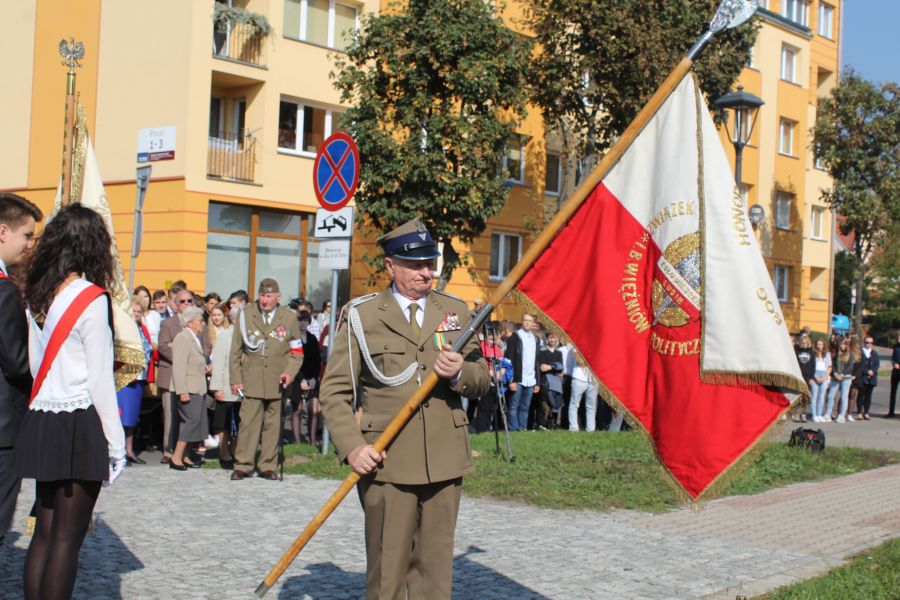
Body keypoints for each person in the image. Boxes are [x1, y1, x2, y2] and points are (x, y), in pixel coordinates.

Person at [320, 218, 489, 600]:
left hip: (443, 458)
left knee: (434, 574)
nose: (426, 273)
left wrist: (461, 372)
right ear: (390, 266)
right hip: (386, 459)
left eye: (430, 264)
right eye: (415, 265)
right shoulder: (362, 315)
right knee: (388, 572)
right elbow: (334, 390)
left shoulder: (455, 311)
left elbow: (482, 378)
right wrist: (352, 447)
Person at [15, 204, 126, 599]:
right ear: (92, 246)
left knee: (44, 534)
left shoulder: (38, 294)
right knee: (68, 537)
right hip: (79, 419)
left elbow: (33, 363)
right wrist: (116, 443)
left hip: (44, 416)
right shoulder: (91, 298)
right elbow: (99, 380)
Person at [229, 278, 304, 480]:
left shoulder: (288, 317)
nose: (265, 300)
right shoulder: (246, 315)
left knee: (273, 426)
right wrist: (235, 379)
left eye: (269, 296)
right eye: (262, 295)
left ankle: (267, 465)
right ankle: (243, 464)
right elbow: (235, 351)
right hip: (251, 379)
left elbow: (297, 352)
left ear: (278, 297)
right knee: (248, 424)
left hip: (277, 380)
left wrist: (289, 373)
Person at [0, 193, 42, 545]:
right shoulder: (3, 291)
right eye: (26, 235)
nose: (29, 245)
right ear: (3, 232)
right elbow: (17, 361)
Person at [170, 306, 210, 470]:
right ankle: (176, 456)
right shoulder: (183, 337)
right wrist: (182, 391)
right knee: (190, 423)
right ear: (190, 322)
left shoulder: (193, 337)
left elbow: (193, 363)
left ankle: (185, 455)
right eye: (200, 320)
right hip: (189, 388)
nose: (203, 323)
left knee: (196, 423)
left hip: (197, 387)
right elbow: (178, 367)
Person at [118, 295, 152, 464]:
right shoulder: (123, 329)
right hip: (125, 378)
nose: (137, 314)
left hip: (139, 378)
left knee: (132, 418)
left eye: (139, 311)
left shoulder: (142, 329)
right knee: (121, 417)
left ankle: (129, 450)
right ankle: (118, 451)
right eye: (134, 311)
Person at [209, 305, 239, 465]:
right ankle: (223, 451)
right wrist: (217, 388)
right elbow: (218, 363)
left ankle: (235, 450)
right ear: (234, 319)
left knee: (238, 423)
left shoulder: (247, 336)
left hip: (241, 390)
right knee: (224, 423)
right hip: (225, 386)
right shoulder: (224, 336)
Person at [289, 310, 322, 446]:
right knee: (297, 409)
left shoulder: (313, 338)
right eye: (300, 320)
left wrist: (314, 378)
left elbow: (317, 361)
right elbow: (292, 361)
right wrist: (301, 379)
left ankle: (312, 442)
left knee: (314, 410)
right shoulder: (293, 339)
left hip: (311, 378)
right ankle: (297, 442)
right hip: (297, 378)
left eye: (305, 320)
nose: (302, 323)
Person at [504, 314, 540, 431]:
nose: (528, 323)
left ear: (533, 323)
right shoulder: (515, 337)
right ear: (522, 321)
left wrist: (537, 382)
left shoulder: (535, 339)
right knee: (514, 406)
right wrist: (511, 380)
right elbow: (509, 361)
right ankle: (514, 429)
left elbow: (536, 361)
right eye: (525, 320)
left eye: (530, 321)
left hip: (531, 379)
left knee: (525, 406)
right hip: (518, 378)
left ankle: (522, 428)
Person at [825, 337, 858, 423]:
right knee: (831, 396)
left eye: (844, 344)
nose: (842, 346)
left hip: (846, 378)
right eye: (841, 344)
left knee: (844, 396)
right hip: (836, 378)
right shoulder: (836, 355)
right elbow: (833, 366)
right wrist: (835, 374)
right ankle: (828, 414)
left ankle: (842, 415)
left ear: (847, 345)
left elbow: (850, 366)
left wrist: (843, 374)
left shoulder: (851, 355)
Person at [567, 346, 598, 431]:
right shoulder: (577, 343)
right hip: (579, 378)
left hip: (593, 379)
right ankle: (573, 428)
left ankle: (591, 429)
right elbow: (580, 361)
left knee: (591, 406)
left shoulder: (597, 343)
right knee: (574, 404)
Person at [537, 332, 565, 428]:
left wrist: (550, 366)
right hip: (545, 380)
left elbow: (560, 368)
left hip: (556, 382)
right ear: (547, 339)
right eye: (550, 338)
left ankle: (551, 423)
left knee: (555, 402)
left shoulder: (558, 353)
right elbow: (542, 367)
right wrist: (554, 367)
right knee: (543, 402)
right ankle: (542, 423)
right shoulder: (542, 352)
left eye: (554, 337)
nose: (552, 340)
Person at [857, 335, 880, 420]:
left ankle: (866, 412)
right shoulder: (860, 352)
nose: (869, 344)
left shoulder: (874, 353)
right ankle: (859, 412)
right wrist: (867, 371)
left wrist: (872, 371)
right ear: (864, 343)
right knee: (861, 395)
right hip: (862, 377)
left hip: (872, 377)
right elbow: (859, 365)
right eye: (867, 342)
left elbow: (877, 364)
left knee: (868, 395)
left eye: (871, 342)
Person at [810, 338, 831, 422]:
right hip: (815, 375)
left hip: (824, 375)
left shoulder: (827, 354)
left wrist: (825, 377)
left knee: (821, 396)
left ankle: (819, 414)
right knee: (814, 396)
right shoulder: (813, 354)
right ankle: (814, 415)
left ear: (824, 345)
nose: (819, 346)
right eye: (818, 344)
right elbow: (811, 367)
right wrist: (816, 377)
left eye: (821, 344)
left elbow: (829, 367)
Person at [794, 335, 814, 423]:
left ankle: (803, 414)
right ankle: (797, 414)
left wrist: (811, 377)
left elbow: (813, 365)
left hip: (808, 377)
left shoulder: (811, 352)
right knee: (798, 396)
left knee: (806, 397)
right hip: (799, 376)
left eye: (806, 343)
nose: (805, 344)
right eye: (803, 343)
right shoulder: (797, 351)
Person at [889, 332, 900, 418]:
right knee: (893, 391)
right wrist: (893, 363)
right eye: (898, 336)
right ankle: (891, 412)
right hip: (896, 371)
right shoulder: (896, 346)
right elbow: (893, 357)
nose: (898, 337)